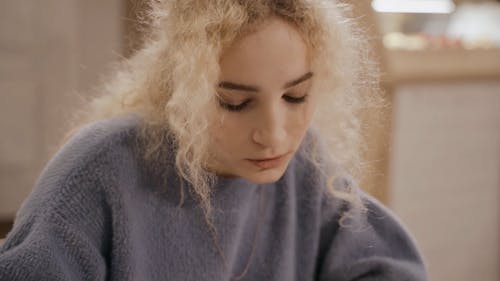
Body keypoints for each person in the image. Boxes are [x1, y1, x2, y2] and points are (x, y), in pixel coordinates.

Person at [0, 0, 427, 280]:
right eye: (234, 103)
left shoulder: (307, 169)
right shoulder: (99, 171)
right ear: (183, 88)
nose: (274, 135)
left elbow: (391, 269)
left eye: (296, 96)